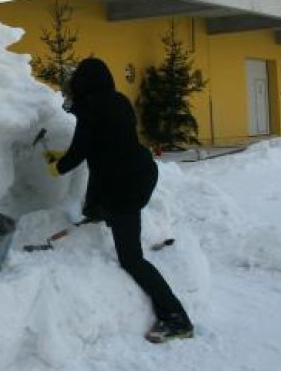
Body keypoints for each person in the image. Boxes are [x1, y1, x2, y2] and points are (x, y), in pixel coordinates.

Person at [55, 57, 194, 344]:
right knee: (99, 209)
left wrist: (53, 164)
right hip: (137, 173)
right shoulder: (118, 100)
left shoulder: (91, 109)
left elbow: (78, 154)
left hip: (125, 187)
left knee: (131, 258)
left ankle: (176, 318)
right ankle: (102, 211)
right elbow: (103, 155)